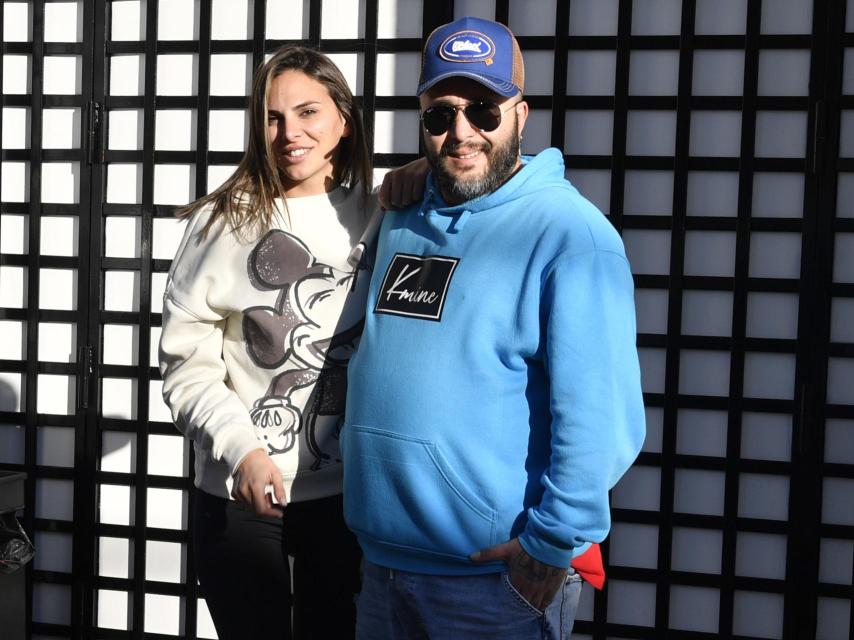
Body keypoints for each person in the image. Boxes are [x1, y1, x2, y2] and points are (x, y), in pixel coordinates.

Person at [341, 16, 646, 639]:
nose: (461, 132)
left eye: (483, 110)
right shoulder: (403, 213)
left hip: (493, 580)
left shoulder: (573, 237)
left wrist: (553, 541)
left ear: (521, 114)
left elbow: (602, 419)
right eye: (440, 114)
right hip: (382, 566)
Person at [158, 45, 377, 640]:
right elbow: (186, 369)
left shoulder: (387, 213)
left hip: (348, 500)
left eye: (308, 112)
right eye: (272, 117)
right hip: (239, 493)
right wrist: (242, 451)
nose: (289, 133)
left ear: (343, 118)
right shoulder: (220, 224)